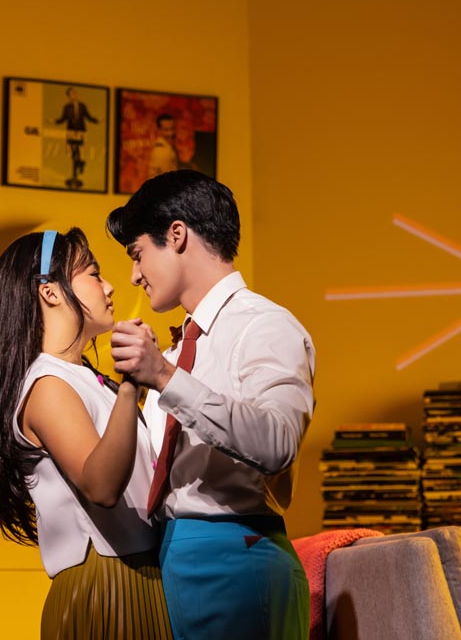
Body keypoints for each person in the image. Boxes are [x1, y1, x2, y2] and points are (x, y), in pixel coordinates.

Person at [107, 170, 315, 640]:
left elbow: (278, 441)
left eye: (138, 254)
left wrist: (163, 376)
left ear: (177, 235)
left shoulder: (265, 326)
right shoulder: (179, 349)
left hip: (236, 555)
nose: (134, 275)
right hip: (173, 555)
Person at [0, 228, 172, 639]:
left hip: (143, 578)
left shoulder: (84, 378)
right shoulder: (46, 383)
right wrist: (131, 384)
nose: (109, 286)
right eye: (93, 273)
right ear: (50, 292)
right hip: (109, 590)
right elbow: (102, 485)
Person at [52, 87, 99, 187]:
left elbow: (88, 117)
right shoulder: (67, 107)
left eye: (74, 93)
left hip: (81, 132)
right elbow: (63, 119)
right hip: (71, 132)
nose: (73, 96)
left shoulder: (82, 106)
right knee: (72, 152)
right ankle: (78, 168)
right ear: (68, 96)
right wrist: (54, 121)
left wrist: (96, 120)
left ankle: (77, 169)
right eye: (71, 94)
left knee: (78, 151)